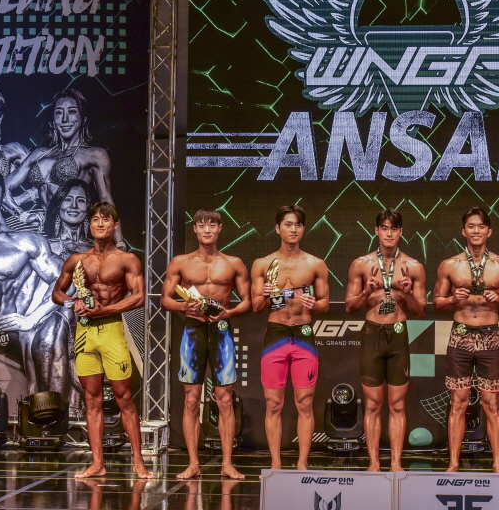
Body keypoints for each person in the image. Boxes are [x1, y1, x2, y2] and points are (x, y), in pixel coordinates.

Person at [52, 202, 150, 479]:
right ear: (90, 224)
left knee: (124, 397)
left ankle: (139, 461)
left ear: (115, 225)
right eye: (95, 219)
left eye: (106, 220)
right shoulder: (77, 259)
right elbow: (57, 292)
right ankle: (97, 463)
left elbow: (138, 297)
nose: (100, 224)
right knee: (91, 398)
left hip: (111, 330)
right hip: (85, 332)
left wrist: (103, 310)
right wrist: (72, 302)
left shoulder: (127, 259)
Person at [160, 210, 251, 481]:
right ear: (195, 230)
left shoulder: (233, 263)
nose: (207, 230)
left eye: (212, 225)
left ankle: (227, 463)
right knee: (191, 399)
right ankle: (192, 463)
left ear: (220, 229)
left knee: (225, 399)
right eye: (202, 225)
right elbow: (165, 300)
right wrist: (183, 306)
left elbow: (247, 301)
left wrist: (228, 313)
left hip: (221, 331)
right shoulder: (180, 262)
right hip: (193, 330)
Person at [433, 206, 499, 474]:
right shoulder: (449, 265)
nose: (476, 231)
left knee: (491, 403)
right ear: (463, 231)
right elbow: (437, 302)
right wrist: (453, 298)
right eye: (471, 226)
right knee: (458, 402)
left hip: (489, 337)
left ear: (489, 231)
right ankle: (453, 463)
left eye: (481, 226)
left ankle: (497, 465)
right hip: (460, 336)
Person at [0, 167, 64, 398]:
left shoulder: (25, 242)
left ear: (3, 197)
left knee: (18, 407)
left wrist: (31, 319)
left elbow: (64, 281)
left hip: (9, 339)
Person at [344, 208, 427, 473]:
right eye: (384, 228)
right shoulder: (361, 264)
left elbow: (420, 311)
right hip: (372, 335)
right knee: (372, 404)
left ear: (401, 232)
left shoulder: (413, 267)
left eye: (393, 229)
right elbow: (350, 307)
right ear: (376, 231)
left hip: (398, 336)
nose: (389, 234)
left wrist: (409, 293)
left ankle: (396, 464)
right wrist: (366, 292)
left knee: (397, 404)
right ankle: (373, 463)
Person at [251, 204, 330, 472]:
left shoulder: (315, 264)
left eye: (297, 224)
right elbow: (256, 306)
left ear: (303, 229)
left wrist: (313, 303)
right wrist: (264, 295)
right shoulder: (262, 264)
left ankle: (302, 464)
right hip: (276, 335)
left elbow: (324, 303)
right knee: (273, 403)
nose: (293, 229)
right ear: (277, 228)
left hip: (303, 334)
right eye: (287, 224)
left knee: (304, 403)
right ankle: (275, 465)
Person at [9, 90, 115, 229]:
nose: (65, 119)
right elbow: (2, 188)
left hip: (70, 231)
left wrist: (118, 240)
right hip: (38, 226)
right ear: (53, 119)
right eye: (59, 112)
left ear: (83, 118)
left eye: (72, 111)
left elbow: (106, 200)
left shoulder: (94, 154)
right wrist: (22, 215)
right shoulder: (39, 153)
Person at [44, 179, 93, 257]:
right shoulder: (46, 247)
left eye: (80, 200)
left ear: (88, 208)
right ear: (58, 206)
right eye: (67, 199)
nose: (74, 206)